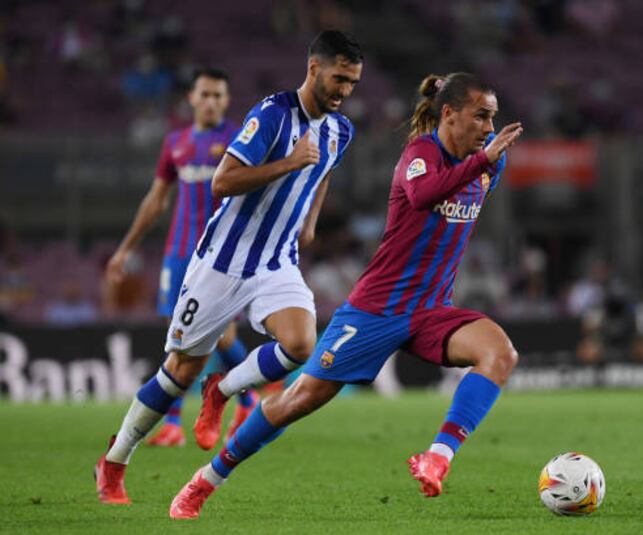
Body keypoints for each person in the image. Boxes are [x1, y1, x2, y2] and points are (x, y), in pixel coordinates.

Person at [168, 72, 522, 519]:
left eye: (493, 118)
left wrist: (485, 160)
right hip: (376, 310)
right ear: (448, 113)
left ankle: (438, 457)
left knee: (500, 353)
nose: (490, 129)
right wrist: (483, 160)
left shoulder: (489, 161)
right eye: (482, 116)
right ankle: (207, 479)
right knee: (299, 400)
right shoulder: (420, 155)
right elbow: (422, 195)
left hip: (432, 308)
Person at [94, 30, 362, 504]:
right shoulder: (273, 115)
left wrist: (310, 222)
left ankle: (222, 390)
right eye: (339, 78)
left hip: (277, 260)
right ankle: (114, 461)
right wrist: (289, 162)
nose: (344, 91)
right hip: (222, 262)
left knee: (301, 342)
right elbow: (224, 181)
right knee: (178, 370)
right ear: (314, 68)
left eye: (353, 83)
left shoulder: (341, 130)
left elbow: (322, 173)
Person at [105, 67, 257, 449]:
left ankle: (248, 399)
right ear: (191, 98)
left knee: (220, 336)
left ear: (226, 100)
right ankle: (175, 421)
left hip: (220, 255)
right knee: (178, 338)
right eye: (205, 94)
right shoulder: (176, 143)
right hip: (177, 254)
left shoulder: (239, 139)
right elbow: (156, 200)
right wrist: (126, 248)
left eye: (218, 95)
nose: (211, 101)